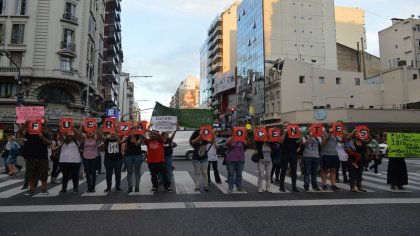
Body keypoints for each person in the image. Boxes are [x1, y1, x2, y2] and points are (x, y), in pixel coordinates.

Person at [19, 122, 52, 196]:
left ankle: (44, 189)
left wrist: (40, 135)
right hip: (31, 157)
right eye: (40, 126)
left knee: (44, 174)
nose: (41, 128)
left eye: (42, 127)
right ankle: (31, 189)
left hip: (42, 157)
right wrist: (26, 124)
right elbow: (20, 132)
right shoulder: (30, 133)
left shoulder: (46, 134)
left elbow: (49, 143)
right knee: (31, 174)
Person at [142, 129, 172, 193]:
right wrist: (140, 131)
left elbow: (160, 135)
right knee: (153, 175)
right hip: (151, 162)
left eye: (154, 134)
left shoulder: (160, 141)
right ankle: (155, 187)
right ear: (149, 136)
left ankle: (167, 187)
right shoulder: (148, 141)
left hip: (160, 161)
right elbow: (142, 137)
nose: (152, 135)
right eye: (151, 135)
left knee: (164, 175)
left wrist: (150, 131)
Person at [279, 122, 302, 192]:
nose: (285, 127)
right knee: (283, 170)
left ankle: (294, 187)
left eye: (286, 126)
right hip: (284, 153)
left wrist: (300, 134)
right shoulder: (282, 133)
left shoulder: (293, 132)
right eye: (284, 126)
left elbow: (300, 141)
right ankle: (281, 186)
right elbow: (280, 141)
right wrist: (285, 133)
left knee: (294, 170)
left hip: (293, 153)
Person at [320, 125, 341, 192]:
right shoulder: (322, 133)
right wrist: (330, 133)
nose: (329, 127)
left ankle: (333, 185)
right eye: (328, 126)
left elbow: (341, 141)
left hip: (334, 154)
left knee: (333, 170)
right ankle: (324, 184)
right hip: (326, 154)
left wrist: (345, 135)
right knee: (325, 170)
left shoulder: (335, 134)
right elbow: (323, 142)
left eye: (330, 126)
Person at [80, 128, 101, 193]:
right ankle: (89, 187)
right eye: (88, 131)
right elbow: (80, 134)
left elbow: (100, 135)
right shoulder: (84, 139)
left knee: (93, 173)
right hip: (85, 157)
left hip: (94, 157)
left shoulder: (96, 139)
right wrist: (81, 125)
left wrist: (96, 127)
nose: (90, 132)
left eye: (91, 131)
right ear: (86, 133)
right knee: (88, 173)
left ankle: (93, 187)